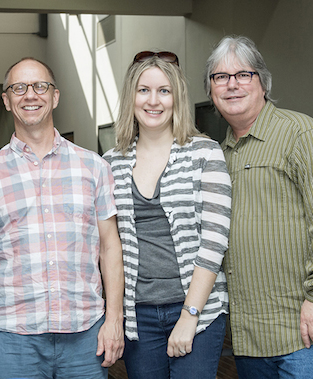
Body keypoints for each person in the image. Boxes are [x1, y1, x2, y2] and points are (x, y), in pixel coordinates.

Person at [0, 57, 124, 379]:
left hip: (85, 333)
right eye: (19, 88)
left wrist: (114, 319)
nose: (31, 95)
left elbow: (110, 247)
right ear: (6, 100)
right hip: (12, 335)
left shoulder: (94, 167)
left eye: (40, 86)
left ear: (55, 96)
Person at [102, 51, 231, 379]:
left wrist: (190, 316)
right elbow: (108, 244)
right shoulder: (111, 162)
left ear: (177, 98)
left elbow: (214, 242)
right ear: (131, 97)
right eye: (143, 90)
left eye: (164, 91)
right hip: (138, 316)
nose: (153, 101)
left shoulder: (204, 153)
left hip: (196, 309)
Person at [204, 35, 313, 377]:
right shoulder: (216, 155)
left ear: (263, 82)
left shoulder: (298, 133)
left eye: (243, 75)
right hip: (247, 339)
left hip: (300, 331)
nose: (231, 85)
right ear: (210, 91)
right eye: (221, 77)